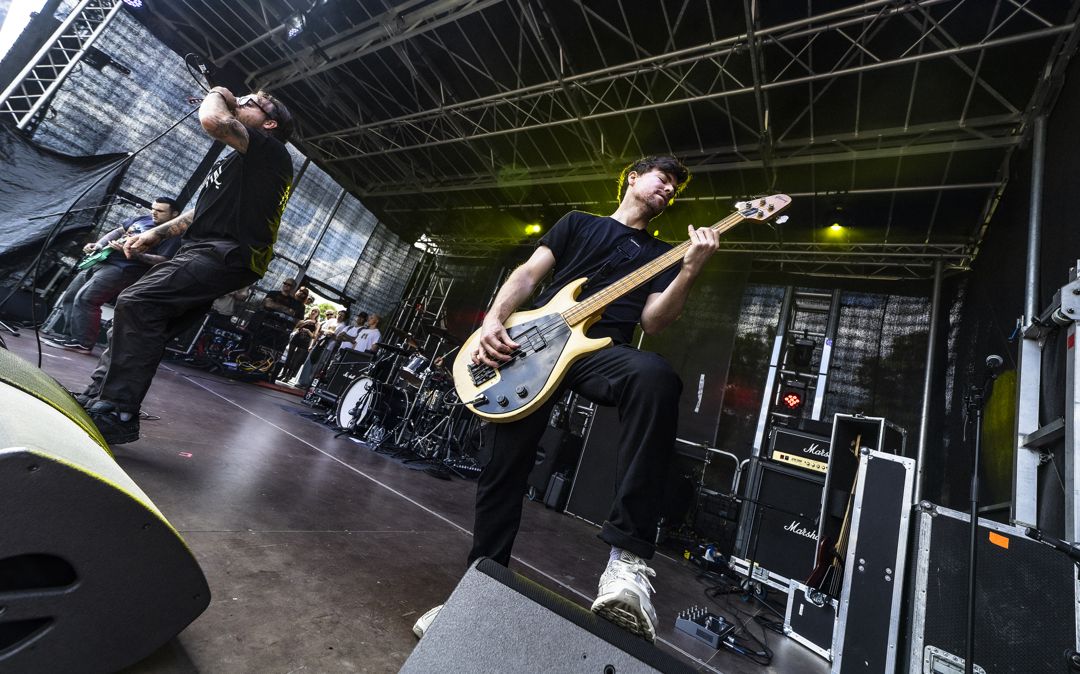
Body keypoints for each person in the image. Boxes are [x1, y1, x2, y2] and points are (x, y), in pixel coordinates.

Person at [413, 156, 718, 643]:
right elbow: (529, 274)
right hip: (531, 346)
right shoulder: (577, 224)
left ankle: (627, 563)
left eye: (677, 188)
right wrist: (494, 320)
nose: (670, 189)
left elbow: (655, 322)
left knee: (655, 376)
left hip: (599, 350)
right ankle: (474, 593)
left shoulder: (663, 252)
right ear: (633, 177)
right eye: (664, 178)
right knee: (503, 468)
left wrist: (689, 271)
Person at [77, 87, 295, 444]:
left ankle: (118, 411)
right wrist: (156, 235)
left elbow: (213, 119)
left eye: (249, 102)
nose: (240, 101)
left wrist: (218, 93)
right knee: (144, 321)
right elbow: (202, 211)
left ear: (269, 123)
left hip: (226, 252)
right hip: (206, 249)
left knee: (137, 301)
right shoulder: (238, 161)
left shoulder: (269, 151)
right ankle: (99, 398)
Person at [43, 198, 182, 351]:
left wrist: (135, 254)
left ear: (175, 214)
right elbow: (118, 231)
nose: (154, 213)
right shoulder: (143, 219)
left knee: (86, 299)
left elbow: (164, 260)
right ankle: (71, 337)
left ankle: (83, 342)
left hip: (122, 268)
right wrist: (99, 244)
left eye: (160, 211)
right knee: (71, 296)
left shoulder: (172, 235)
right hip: (101, 259)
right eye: (153, 208)